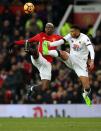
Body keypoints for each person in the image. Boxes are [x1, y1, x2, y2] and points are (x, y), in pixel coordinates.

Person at [43, 25, 95, 106]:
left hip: (81, 65)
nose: (71, 33)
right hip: (71, 59)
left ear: (77, 31)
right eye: (70, 31)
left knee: (87, 87)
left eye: (72, 31)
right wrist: (50, 44)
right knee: (63, 53)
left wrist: (92, 61)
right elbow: (60, 41)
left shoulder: (85, 38)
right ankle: (47, 52)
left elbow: (91, 50)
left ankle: (85, 95)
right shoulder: (70, 36)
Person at [11, 22, 62, 99]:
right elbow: (28, 40)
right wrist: (15, 43)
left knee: (45, 88)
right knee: (35, 51)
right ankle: (29, 50)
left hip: (47, 64)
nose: (48, 29)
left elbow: (67, 40)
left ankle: (32, 88)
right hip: (38, 58)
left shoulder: (57, 37)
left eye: (50, 27)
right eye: (46, 27)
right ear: (44, 29)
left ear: (53, 29)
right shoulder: (40, 35)